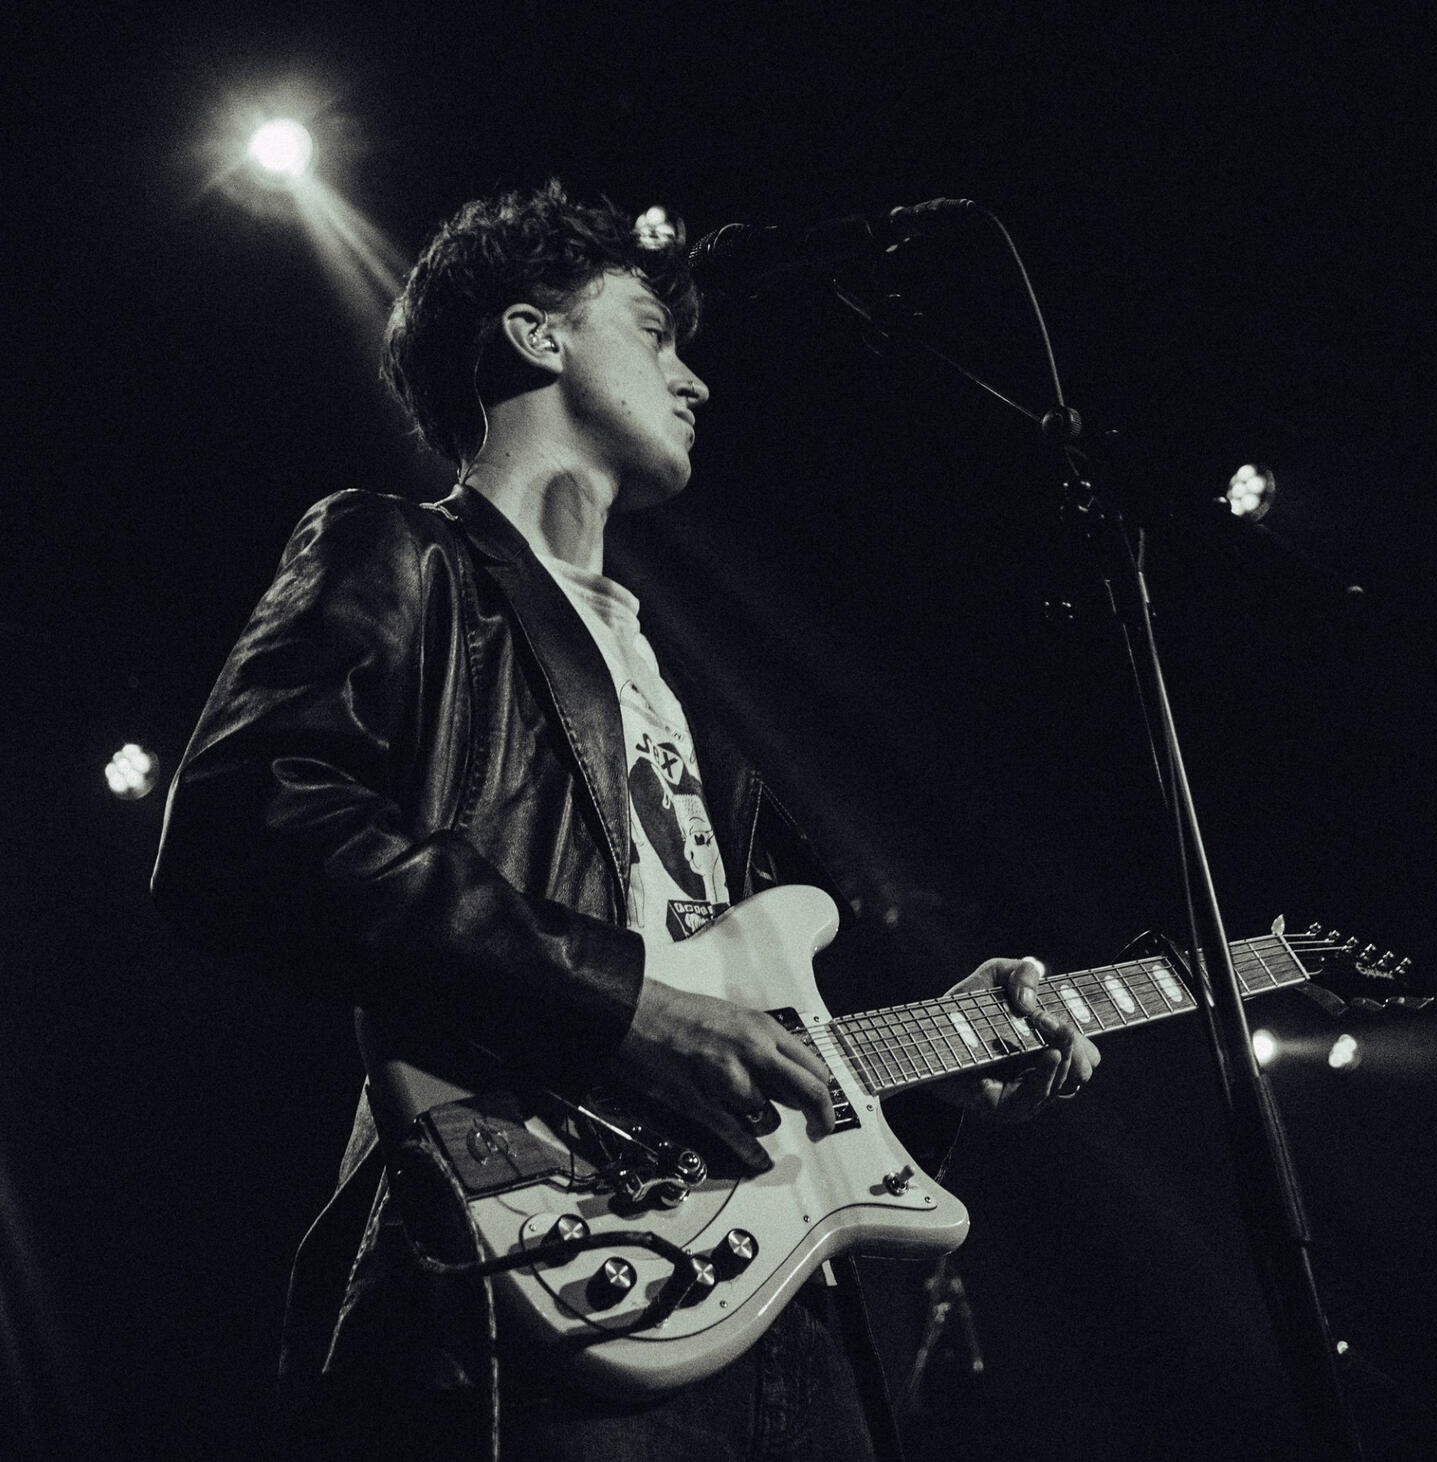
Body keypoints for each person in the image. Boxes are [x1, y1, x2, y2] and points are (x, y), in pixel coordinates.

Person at [152, 180, 1099, 1462]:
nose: (694, 380)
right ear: (536, 336)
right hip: (531, 1264)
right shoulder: (406, 556)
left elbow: (753, 1013)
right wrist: (628, 1007)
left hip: (776, 1314)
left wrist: (941, 1071)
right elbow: (242, 822)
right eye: (655, 332)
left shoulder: (670, 686)